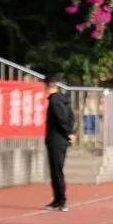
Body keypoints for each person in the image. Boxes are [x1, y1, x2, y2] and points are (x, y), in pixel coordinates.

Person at [44, 75, 75, 212]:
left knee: (57, 170)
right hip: (60, 139)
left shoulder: (55, 101)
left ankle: (61, 200)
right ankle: (57, 199)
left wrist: (69, 132)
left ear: (47, 86)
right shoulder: (63, 99)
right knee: (56, 170)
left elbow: (61, 118)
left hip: (56, 139)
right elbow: (71, 117)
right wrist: (70, 131)